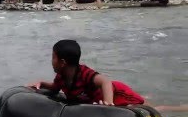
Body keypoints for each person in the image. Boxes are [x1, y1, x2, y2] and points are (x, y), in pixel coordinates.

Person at [28, 40, 188, 112]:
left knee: (152, 107)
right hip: (100, 97)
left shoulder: (83, 73)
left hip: (116, 93)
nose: (51, 60)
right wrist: (41, 83)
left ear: (62, 62)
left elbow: (105, 81)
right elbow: (56, 88)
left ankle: (181, 108)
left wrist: (108, 105)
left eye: (53, 57)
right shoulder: (61, 77)